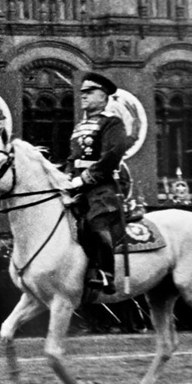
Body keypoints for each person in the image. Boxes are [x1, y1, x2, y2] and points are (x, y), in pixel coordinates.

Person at [65, 72, 133, 295]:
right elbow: (72, 158)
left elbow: (112, 156)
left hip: (101, 189)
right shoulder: (79, 127)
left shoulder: (112, 123)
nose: (83, 96)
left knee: (96, 222)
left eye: (89, 92)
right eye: (82, 92)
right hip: (77, 188)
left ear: (103, 96)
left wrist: (84, 178)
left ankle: (106, 273)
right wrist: (66, 178)